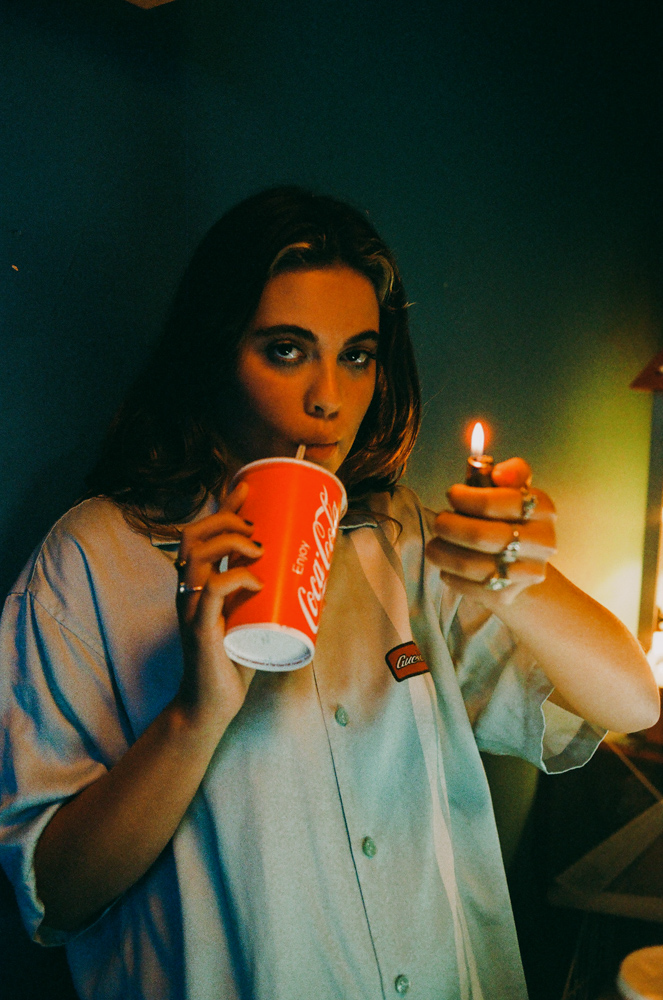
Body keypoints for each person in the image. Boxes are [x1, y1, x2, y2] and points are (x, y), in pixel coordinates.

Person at [0, 186, 658, 1000]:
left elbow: (631, 704)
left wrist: (520, 583)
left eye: (356, 355)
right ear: (213, 355)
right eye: (286, 350)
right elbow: (54, 897)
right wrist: (195, 716)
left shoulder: (403, 538)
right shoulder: (94, 560)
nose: (328, 398)